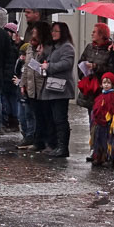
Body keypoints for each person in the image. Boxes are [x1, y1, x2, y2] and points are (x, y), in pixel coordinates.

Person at [77, 23, 114, 161]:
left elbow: (112, 68)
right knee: (92, 121)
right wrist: (83, 71)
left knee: (104, 123)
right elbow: (81, 61)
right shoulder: (89, 47)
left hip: (102, 92)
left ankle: (105, 151)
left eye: (95, 32)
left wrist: (95, 67)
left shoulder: (110, 49)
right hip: (89, 90)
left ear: (102, 34)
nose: (92, 34)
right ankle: (95, 149)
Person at [40, 22, 76, 158]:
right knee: (52, 118)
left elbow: (66, 64)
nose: (53, 33)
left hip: (61, 88)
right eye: (52, 31)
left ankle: (62, 147)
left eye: (56, 31)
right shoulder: (53, 47)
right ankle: (54, 144)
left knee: (60, 118)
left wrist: (49, 67)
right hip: (51, 88)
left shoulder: (67, 47)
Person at [17, 22, 52, 152]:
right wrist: (23, 83)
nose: (33, 35)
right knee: (33, 114)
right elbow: (27, 67)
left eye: (35, 33)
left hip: (42, 86)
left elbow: (46, 66)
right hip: (31, 86)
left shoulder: (47, 48)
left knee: (43, 116)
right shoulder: (30, 48)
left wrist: (42, 54)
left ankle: (44, 141)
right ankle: (37, 140)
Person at [90, 73, 114, 169]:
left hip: (109, 125)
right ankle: (99, 157)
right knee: (98, 141)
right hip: (99, 124)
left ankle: (109, 159)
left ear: (112, 84)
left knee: (109, 143)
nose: (106, 85)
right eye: (104, 82)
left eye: (108, 83)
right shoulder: (100, 96)